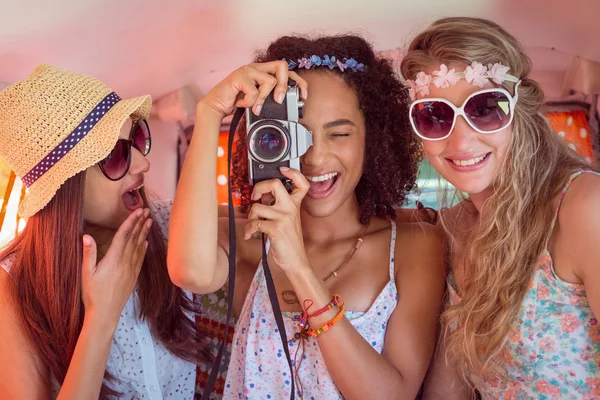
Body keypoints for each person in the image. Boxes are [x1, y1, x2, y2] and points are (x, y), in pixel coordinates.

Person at [168, 34, 446, 399]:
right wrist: (209, 113)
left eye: (340, 133)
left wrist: (298, 266)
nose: (314, 157)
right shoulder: (252, 236)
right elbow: (190, 272)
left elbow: (390, 395)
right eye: (294, 134)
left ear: (373, 139)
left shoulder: (415, 246)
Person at [400, 17, 600, 400]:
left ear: (518, 110)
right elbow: (450, 383)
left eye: (485, 108)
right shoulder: (453, 227)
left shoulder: (583, 207)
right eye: (434, 116)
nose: (460, 140)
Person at [0, 64, 209, 399]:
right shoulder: (14, 285)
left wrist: (211, 115)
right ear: (66, 187)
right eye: (115, 155)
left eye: (138, 139)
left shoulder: (169, 224)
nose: (143, 163)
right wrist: (101, 318)